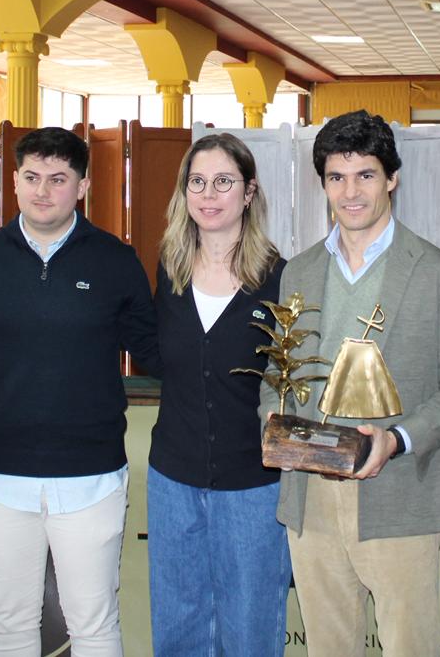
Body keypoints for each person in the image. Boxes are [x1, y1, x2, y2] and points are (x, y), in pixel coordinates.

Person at [266, 110, 440, 657]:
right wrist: (273, 421)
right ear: (322, 185)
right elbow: (277, 375)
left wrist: (397, 440)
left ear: (392, 179)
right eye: (336, 177)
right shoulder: (299, 271)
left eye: (365, 175)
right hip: (311, 496)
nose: (350, 192)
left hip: (401, 494)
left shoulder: (438, 272)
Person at [0, 126, 161, 657]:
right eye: (32, 177)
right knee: (10, 623)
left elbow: (157, 352)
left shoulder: (115, 261)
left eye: (58, 179)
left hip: (91, 478)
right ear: (15, 180)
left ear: (82, 186)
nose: (43, 191)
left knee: (94, 624)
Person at [147, 133, 289, 656]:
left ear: (249, 193)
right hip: (173, 480)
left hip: (253, 484)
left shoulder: (278, 279)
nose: (209, 195)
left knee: (251, 628)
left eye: (224, 182)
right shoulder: (170, 270)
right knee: (177, 628)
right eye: (198, 182)